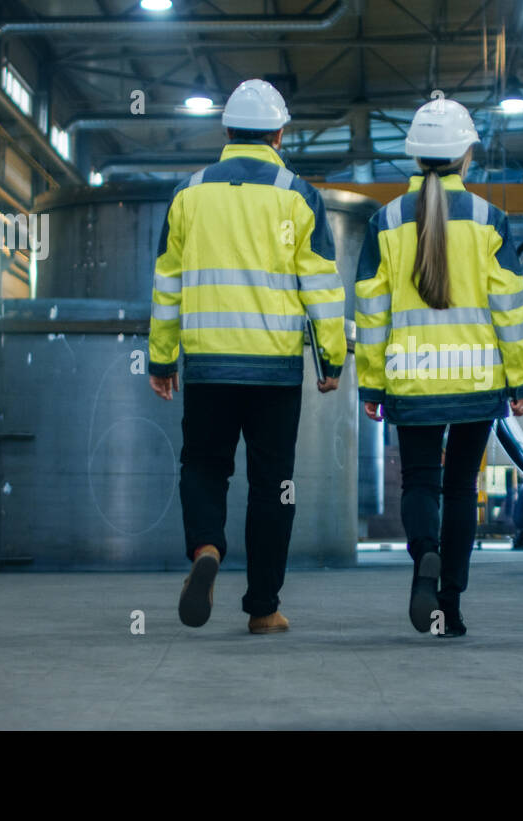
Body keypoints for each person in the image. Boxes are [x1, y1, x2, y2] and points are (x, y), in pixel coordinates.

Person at [149, 79, 346, 635]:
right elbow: (323, 288)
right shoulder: (298, 193)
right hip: (274, 370)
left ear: (227, 132)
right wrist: (330, 359)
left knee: (204, 467)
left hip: (209, 365)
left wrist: (162, 361)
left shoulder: (189, 193)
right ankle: (263, 607)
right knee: (272, 484)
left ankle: (206, 548)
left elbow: (167, 284)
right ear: (279, 135)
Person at [356, 94, 523, 638]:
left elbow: (370, 309)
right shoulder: (490, 219)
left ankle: (424, 558)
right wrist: (519, 376)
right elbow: (510, 308)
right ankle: (449, 606)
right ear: (466, 158)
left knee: (419, 483)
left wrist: (371, 381)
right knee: (460, 489)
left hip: (411, 380)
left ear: (414, 158)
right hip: (475, 381)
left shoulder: (384, 221)